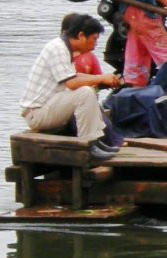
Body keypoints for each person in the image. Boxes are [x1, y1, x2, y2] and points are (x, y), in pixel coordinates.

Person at [21, 13, 123, 162]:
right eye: (94, 39)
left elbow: (75, 76)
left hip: (48, 108)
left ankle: (96, 142)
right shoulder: (57, 49)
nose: (95, 44)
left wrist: (103, 79)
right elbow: (72, 83)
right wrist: (101, 78)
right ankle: (87, 146)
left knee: (87, 91)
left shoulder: (63, 48)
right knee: (85, 93)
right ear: (81, 36)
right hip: (37, 114)